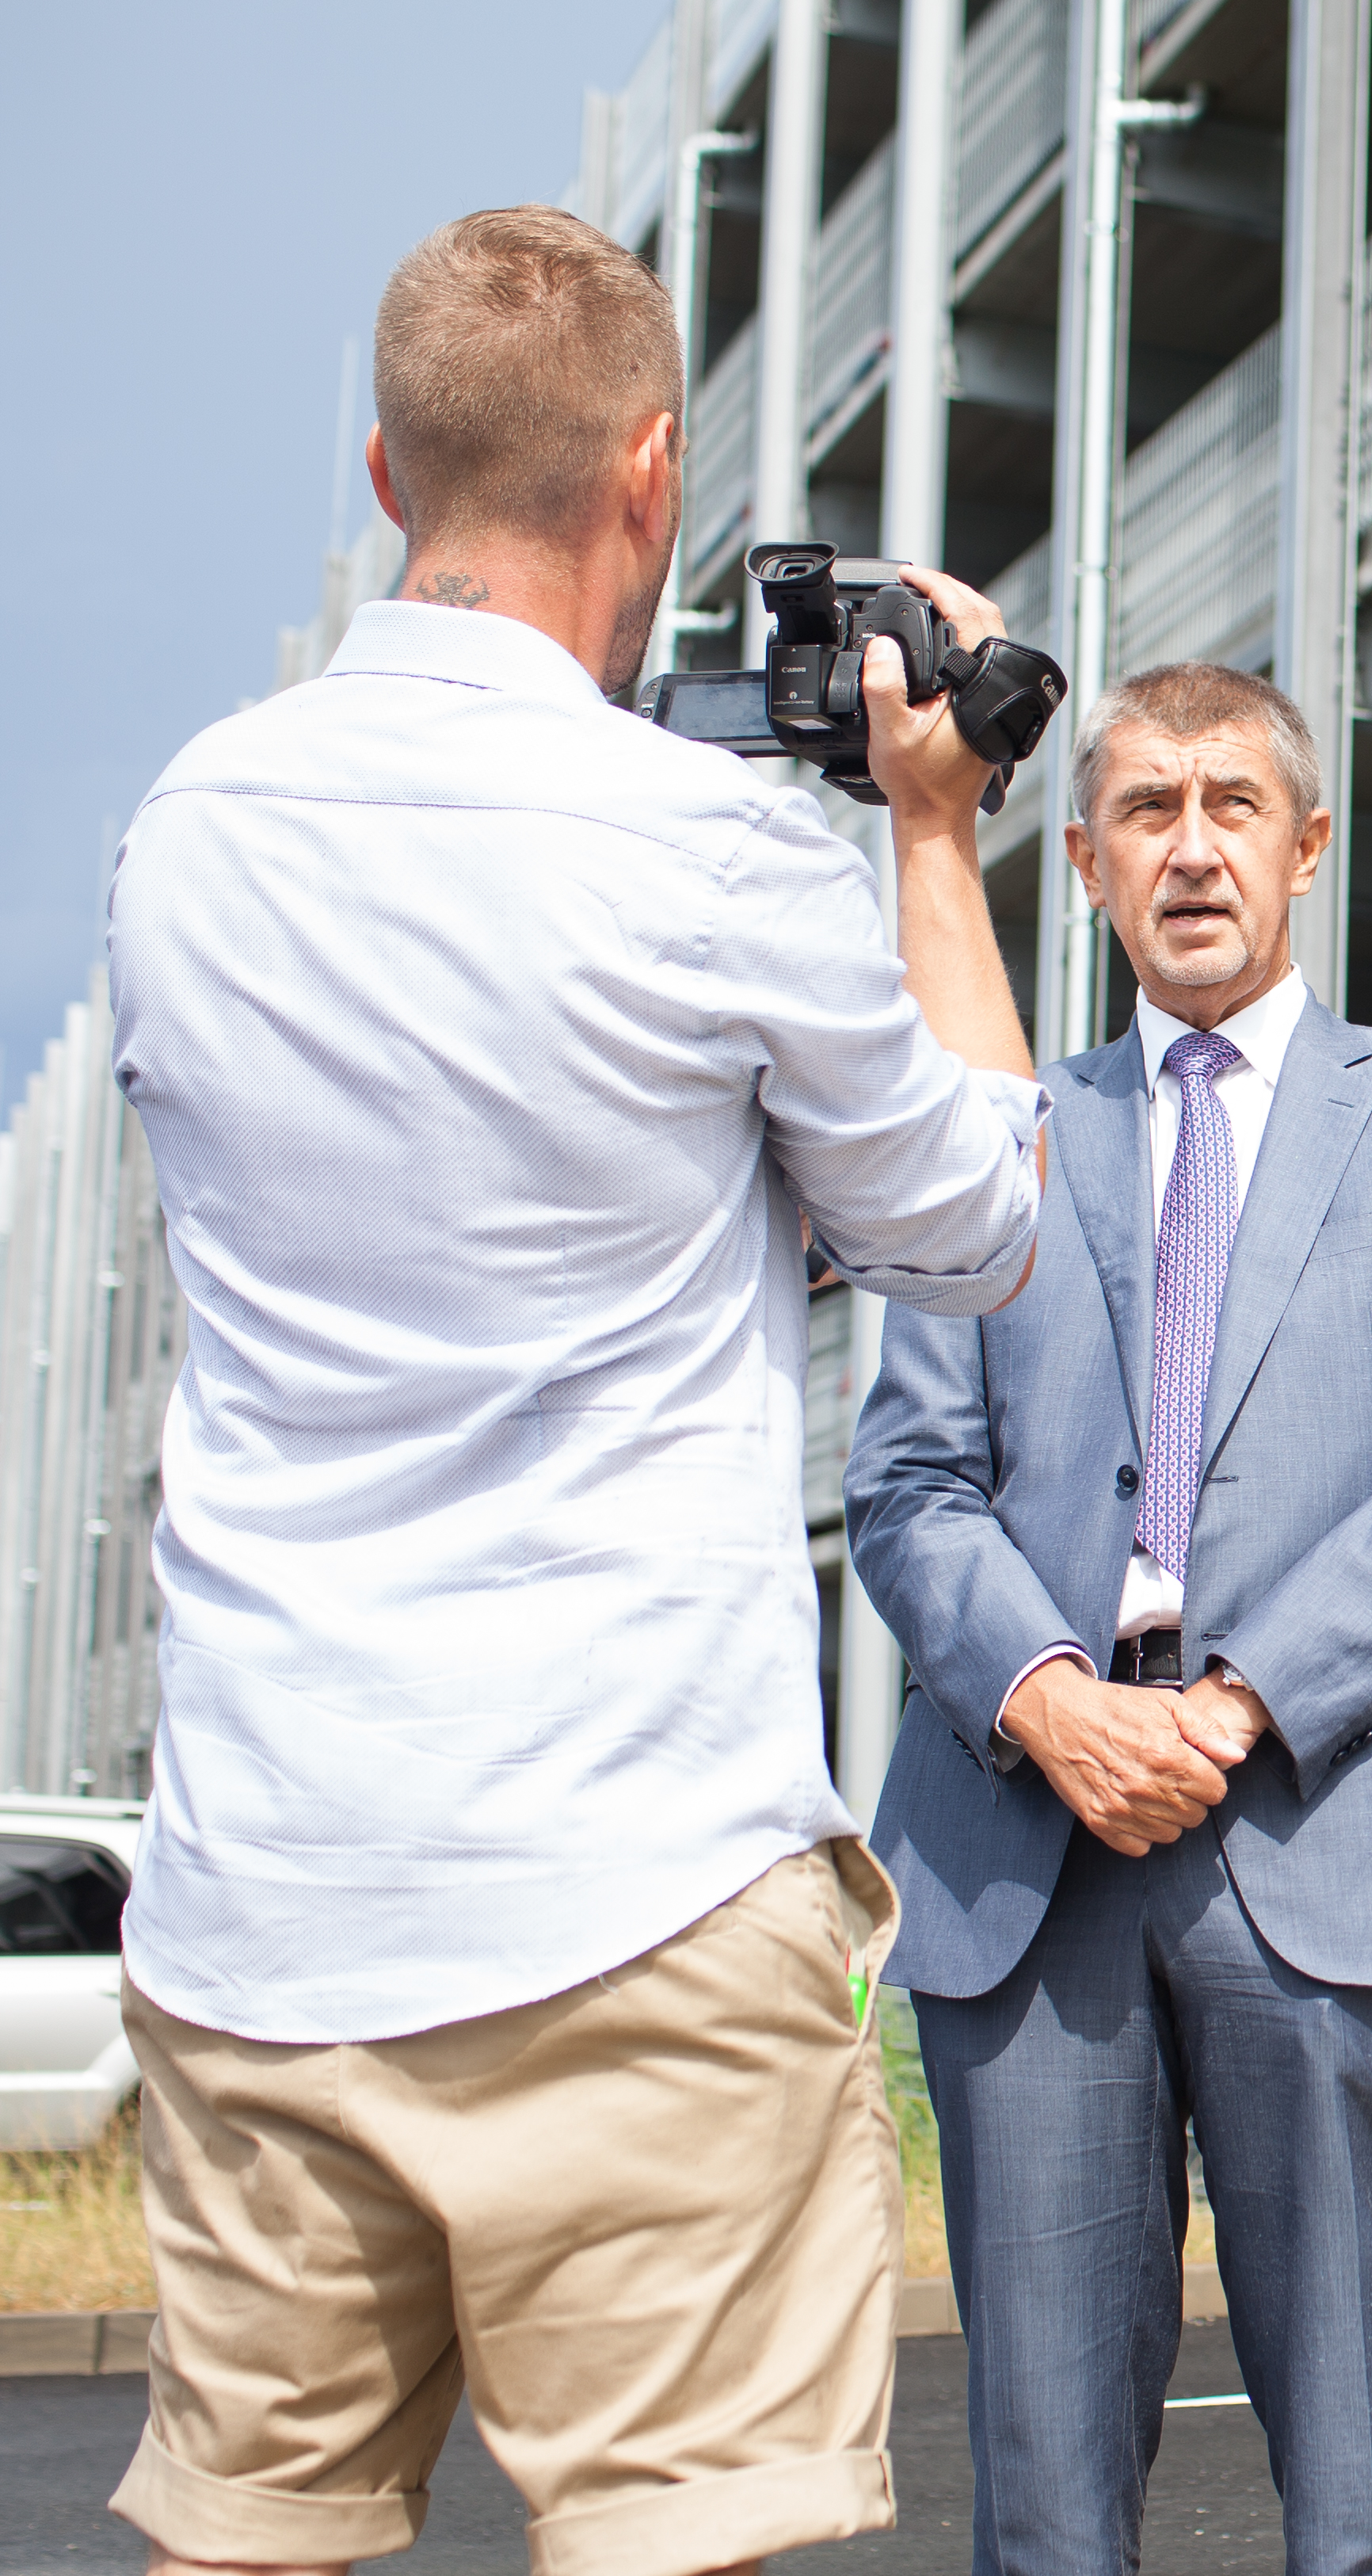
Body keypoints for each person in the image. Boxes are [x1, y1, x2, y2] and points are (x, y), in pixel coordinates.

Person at [105, 205, 1047, 2575]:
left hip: (265, 1897)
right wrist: (934, 825)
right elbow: (973, 1223)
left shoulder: (181, 836)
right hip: (624, 1891)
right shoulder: (716, 851)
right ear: (653, 474)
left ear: (383, 468)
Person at [848, 660, 1372, 2576]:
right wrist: (1054, 1700)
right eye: (1145, 812)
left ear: (1306, 846)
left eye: (1230, 805)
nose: (1190, 847)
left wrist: (1234, 1703)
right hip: (1034, 1838)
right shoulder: (994, 1131)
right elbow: (908, 1482)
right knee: (1043, 2503)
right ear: (1080, 863)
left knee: (1357, 2485)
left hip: (1324, 1833)